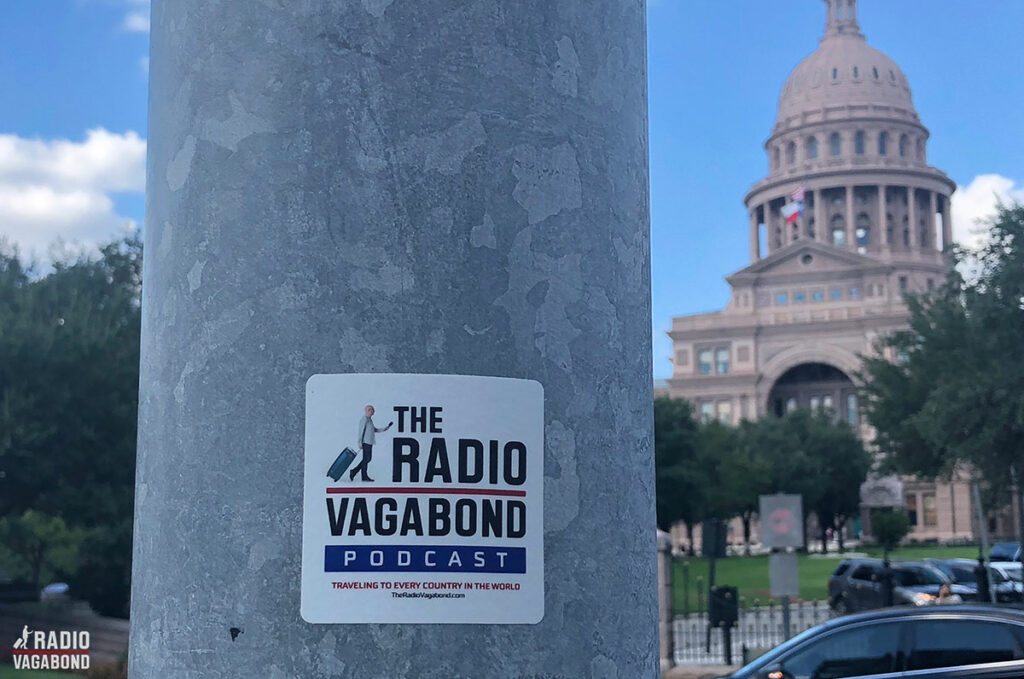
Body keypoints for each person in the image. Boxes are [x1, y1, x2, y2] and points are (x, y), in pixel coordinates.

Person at [350, 405, 392, 482]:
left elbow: (374, 430)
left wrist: (385, 428)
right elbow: (361, 431)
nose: (372, 411)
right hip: (365, 442)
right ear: (367, 411)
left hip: (369, 442)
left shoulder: (369, 420)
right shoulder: (364, 419)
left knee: (367, 459)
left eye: (372, 410)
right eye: (370, 410)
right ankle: (363, 476)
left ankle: (354, 471)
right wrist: (360, 442)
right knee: (366, 459)